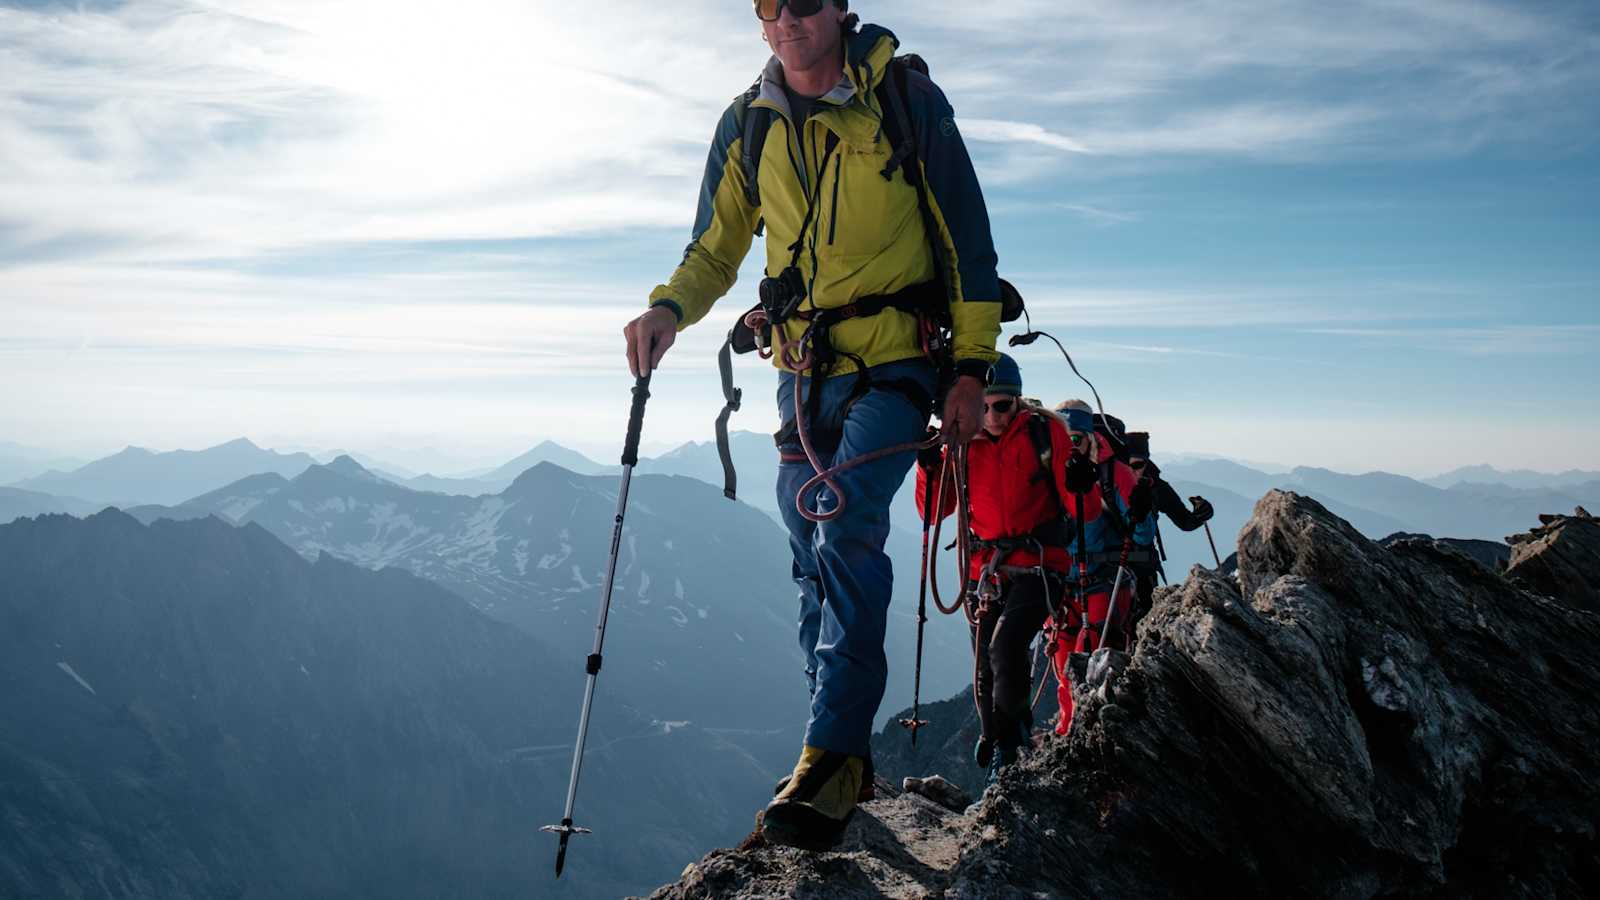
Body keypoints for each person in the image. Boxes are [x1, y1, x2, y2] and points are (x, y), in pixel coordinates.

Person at [622, 0, 1001, 851]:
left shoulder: (904, 100)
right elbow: (717, 246)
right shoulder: (747, 124)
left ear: (839, 8)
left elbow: (967, 240)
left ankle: (830, 755)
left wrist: (971, 369)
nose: (787, 18)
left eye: (804, 1)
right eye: (769, 4)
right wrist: (668, 309)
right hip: (800, 370)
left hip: (897, 365)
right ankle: (831, 753)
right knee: (807, 554)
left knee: (844, 528)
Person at [916, 355, 1102, 781]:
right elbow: (932, 511)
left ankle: (1011, 742)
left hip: (1041, 564)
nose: (993, 416)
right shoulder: (959, 442)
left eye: (1002, 406)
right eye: (984, 406)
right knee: (984, 663)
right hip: (986, 569)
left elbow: (1086, 513)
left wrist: (1081, 479)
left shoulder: (1045, 432)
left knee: (1005, 648)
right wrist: (928, 468)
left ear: (1018, 402)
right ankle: (996, 733)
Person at [1048, 400, 1138, 735]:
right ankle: (1068, 729)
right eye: (1064, 438)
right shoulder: (1050, 475)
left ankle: (1087, 729)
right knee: (1062, 663)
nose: (1071, 445)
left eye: (1076, 439)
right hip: (1061, 586)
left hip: (1101, 583)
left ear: (1089, 438)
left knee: (1090, 655)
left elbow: (1140, 531)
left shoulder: (1115, 476)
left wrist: (1141, 510)